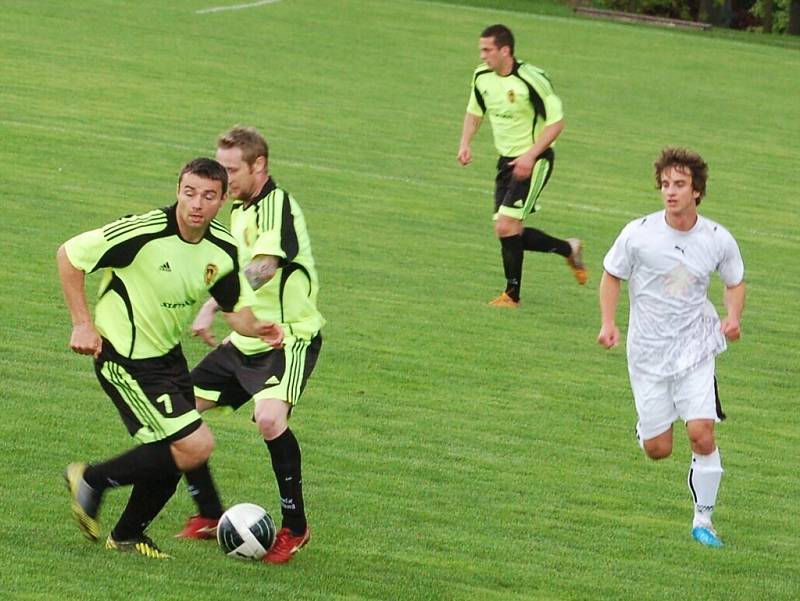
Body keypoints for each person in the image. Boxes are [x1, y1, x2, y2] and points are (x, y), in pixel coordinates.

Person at [59, 157, 284, 559]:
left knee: (174, 451)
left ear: (223, 200)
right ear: (178, 190)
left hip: (168, 358)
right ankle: (90, 479)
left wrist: (258, 328)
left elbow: (234, 309)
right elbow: (70, 255)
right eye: (189, 192)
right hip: (123, 359)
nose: (196, 203)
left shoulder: (222, 249)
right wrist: (82, 323)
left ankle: (127, 535)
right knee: (194, 445)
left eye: (208, 196)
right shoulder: (142, 232)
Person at [175, 127, 324, 565]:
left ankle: (295, 529)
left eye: (231, 168)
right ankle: (208, 514)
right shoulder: (238, 210)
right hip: (245, 339)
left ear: (259, 165)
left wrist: (213, 309)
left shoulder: (276, 205)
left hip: (287, 337)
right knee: (178, 412)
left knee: (269, 418)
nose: (224, 176)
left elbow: (266, 263)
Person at [597, 147, 746, 548]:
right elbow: (611, 275)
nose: (670, 191)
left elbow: (735, 280)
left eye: (679, 184)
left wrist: (732, 318)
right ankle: (647, 428)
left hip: (695, 347)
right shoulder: (639, 234)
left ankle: (704, 521)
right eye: (665, 184)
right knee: (658, 449)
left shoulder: (716, 238)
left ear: (697, 190)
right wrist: (608, 323)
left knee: (701, 433)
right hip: (647, 353)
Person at [457, 23, 587, 308]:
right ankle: (569, 248)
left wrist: (530, 156)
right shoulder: (481, 78)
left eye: (487, 50)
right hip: (506, 162)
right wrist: (465, 142)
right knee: (508, 230)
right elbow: (474, 112)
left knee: (506, 225)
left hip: (535, 159)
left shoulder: (532, 80)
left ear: (506, 50)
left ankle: (511, 296)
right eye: (481, 50)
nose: (482, 56)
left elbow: (556, 123)